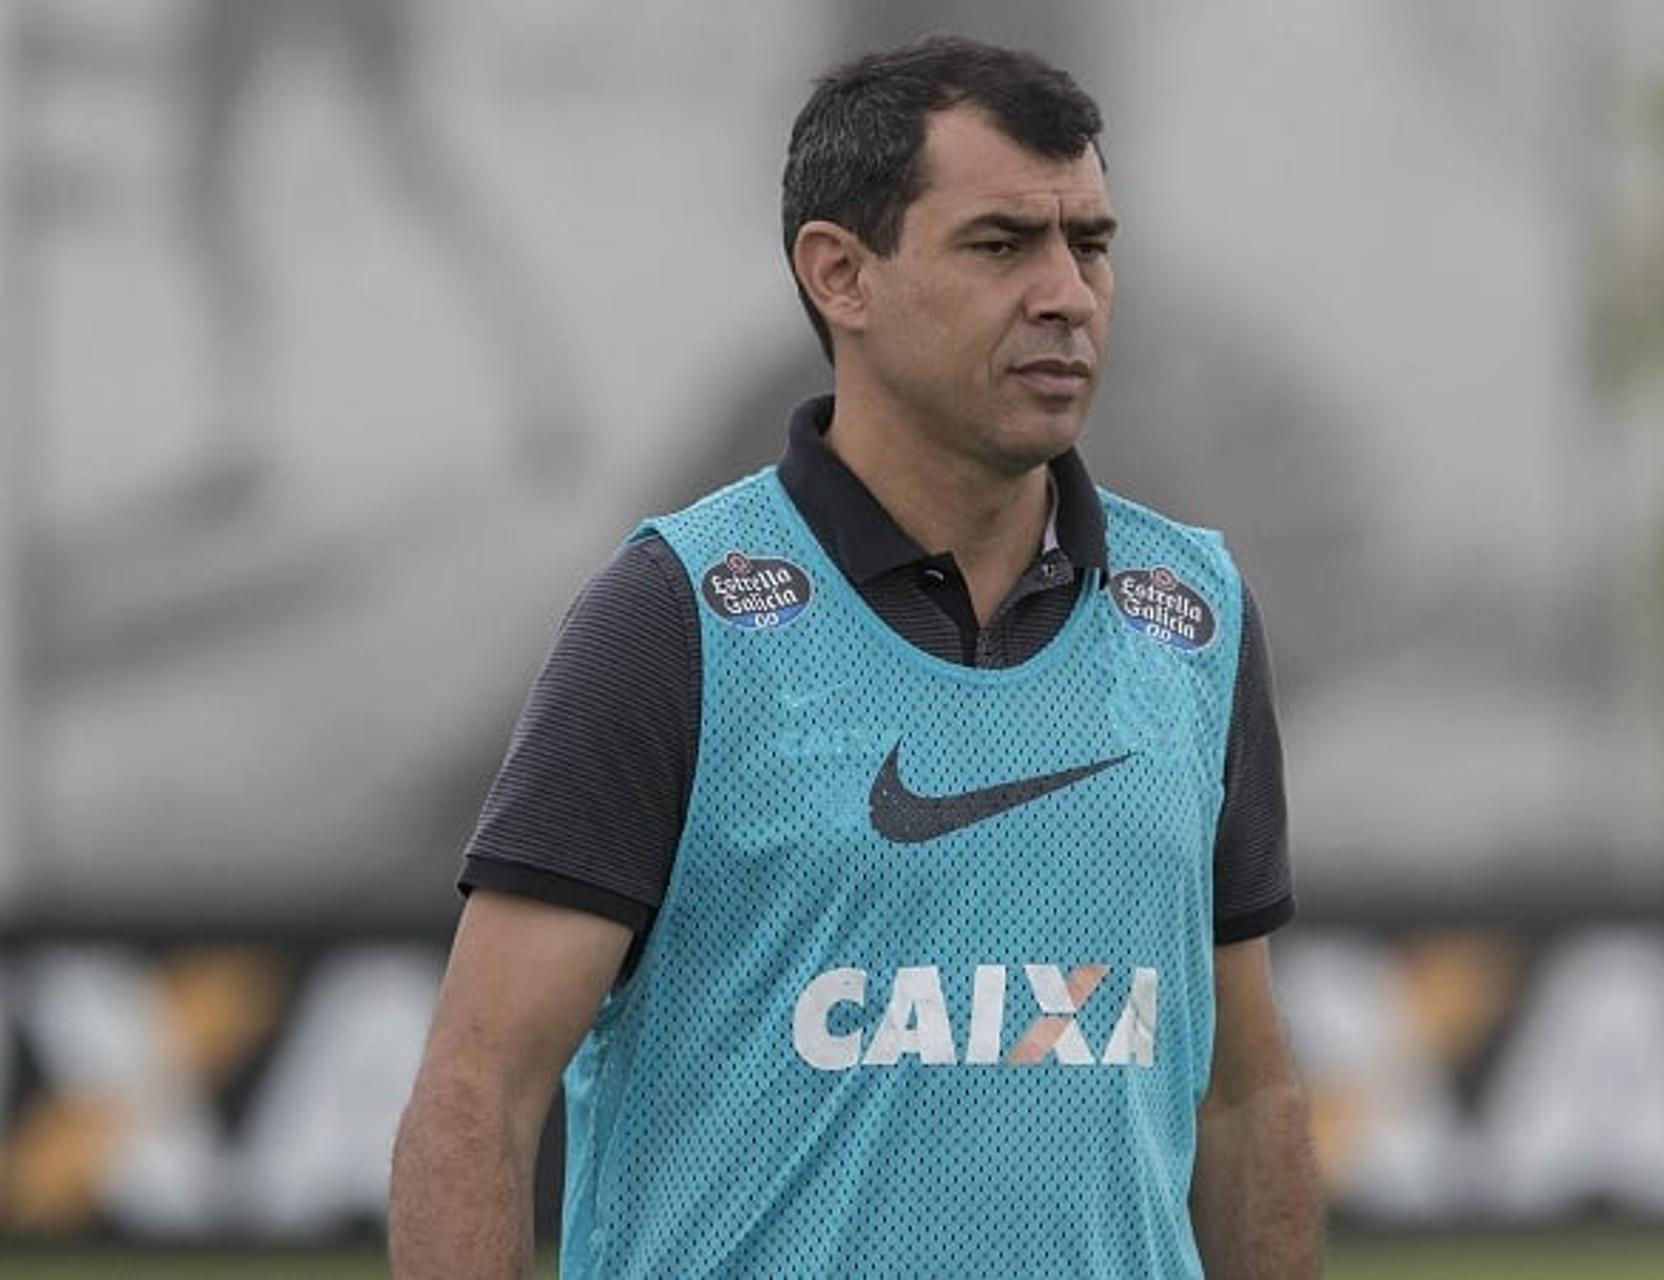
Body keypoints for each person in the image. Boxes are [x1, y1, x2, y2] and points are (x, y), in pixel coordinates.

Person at [390, 35, 1320, 1278]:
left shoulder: (1193, 615)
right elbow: (477, 1092)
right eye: (1001, 245)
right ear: (841, 274)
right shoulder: (674, 616)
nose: (1067, 294)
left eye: (1090, 244)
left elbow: (1245, 1104)